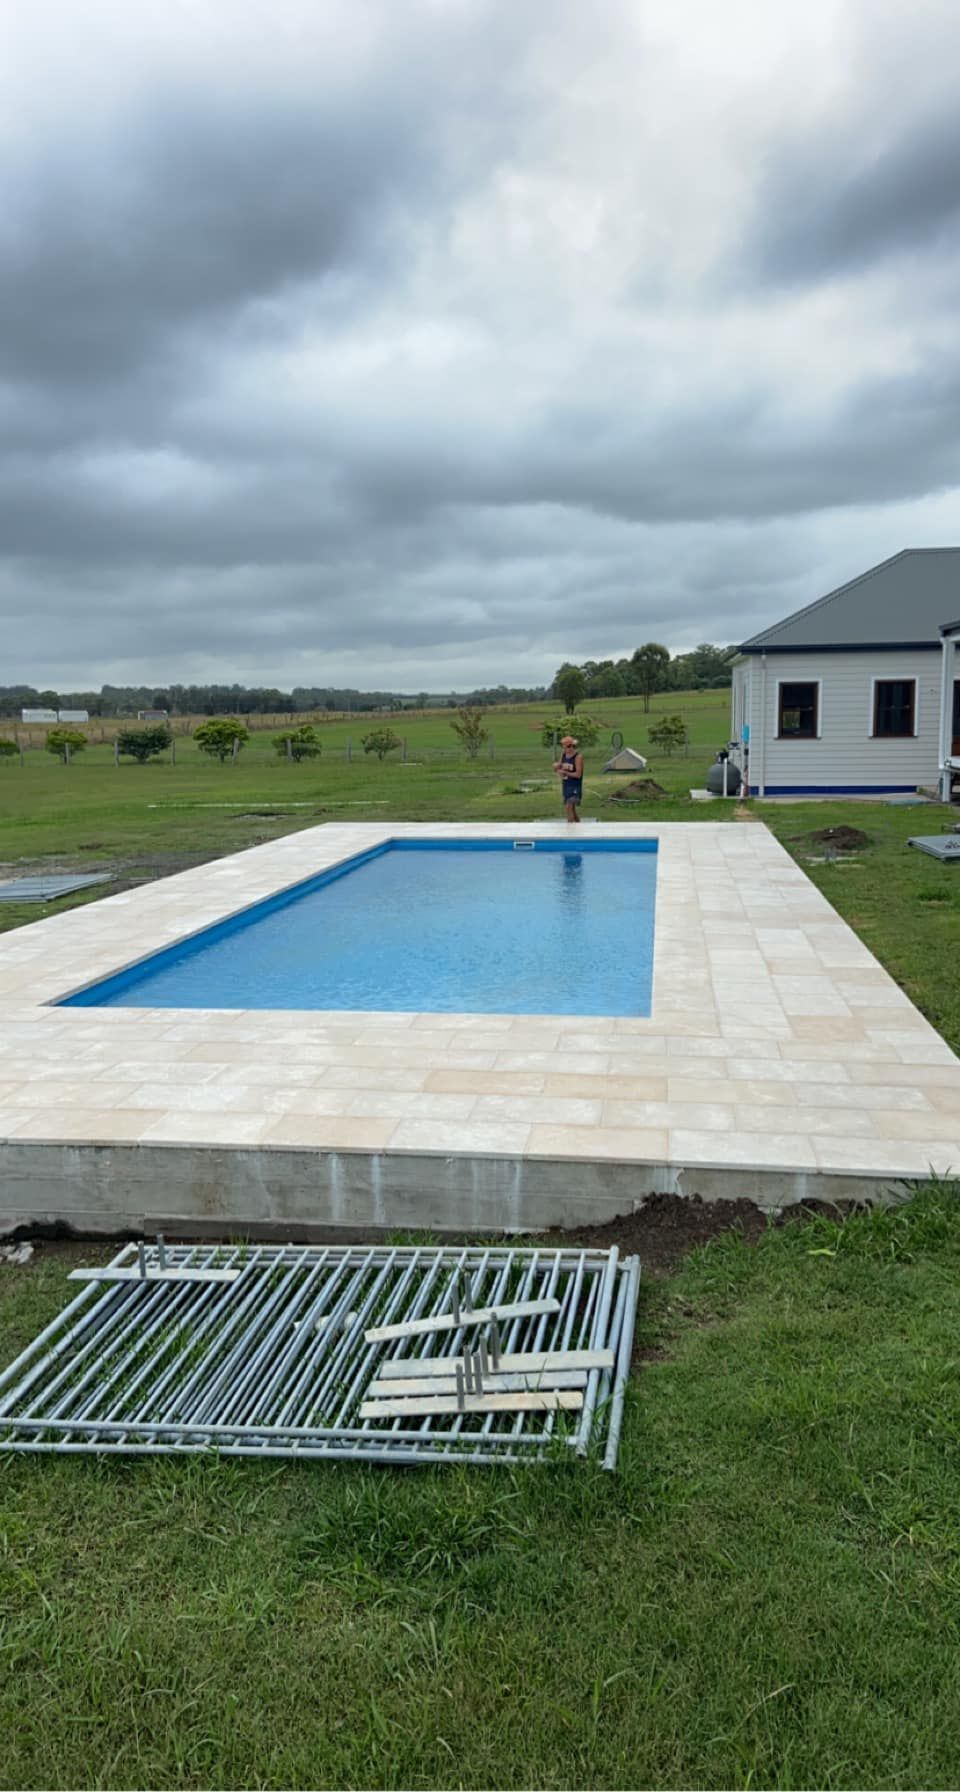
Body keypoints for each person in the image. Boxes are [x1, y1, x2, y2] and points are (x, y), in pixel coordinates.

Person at [554, 733, 584, 823]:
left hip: (575, 786)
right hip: (566, 785)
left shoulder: (578, 757)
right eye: (562, 747)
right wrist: (556, 767)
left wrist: (565, 772)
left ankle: (570, 832)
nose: (563, 748)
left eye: (564, 747)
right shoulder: (563, 754)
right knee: (572, 810)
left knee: (568, 807)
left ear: (570, 746)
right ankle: (579, 826)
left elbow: (578, 775)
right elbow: (559, 767)